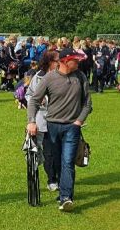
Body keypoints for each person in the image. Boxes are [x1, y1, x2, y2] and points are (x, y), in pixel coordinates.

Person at [26, 48, 92, 212]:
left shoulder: (81, 77)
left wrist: (78, 121)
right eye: (74, 61)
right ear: (64, 61)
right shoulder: (49, 78)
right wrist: (32, 121)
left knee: (68, 161)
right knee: (57, 161)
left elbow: (87, 104)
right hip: (52, 126)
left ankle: (66, 197)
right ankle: (64, 192)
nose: (78, 63)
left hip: (72, 127)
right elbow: (34, 100)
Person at [26, 51, 60, 191]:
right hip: (42, 120)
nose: (60, 61)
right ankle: (52, 179)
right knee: (48, 151)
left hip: (59, 118)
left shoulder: (61, 75)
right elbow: (29, 95)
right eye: (57, 59)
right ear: (49, 61)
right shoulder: (38, 77)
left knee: (59, 151)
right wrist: (40, 102)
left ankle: (59, 176)